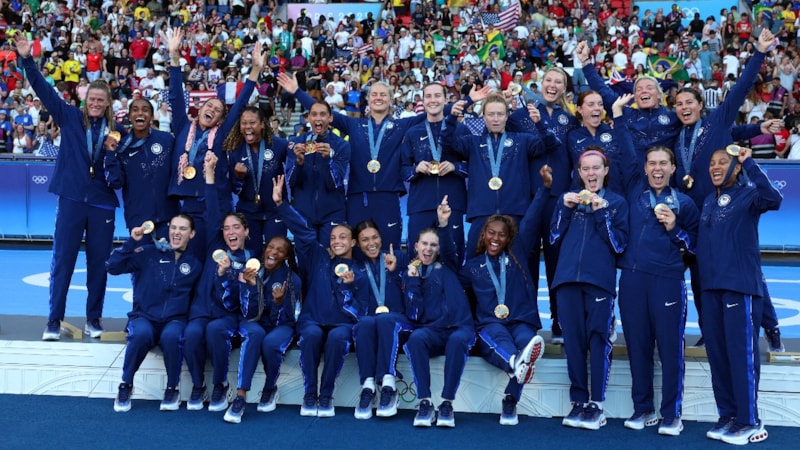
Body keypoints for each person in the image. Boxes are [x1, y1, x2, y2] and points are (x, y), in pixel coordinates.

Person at [279, 73, 487, 250]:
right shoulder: (353, 125)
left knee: (390, 250)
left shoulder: (401, 126)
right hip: (358, 198)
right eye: (374, 94)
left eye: (383, 94)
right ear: (368, 100)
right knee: (358, 251)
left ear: (390, 100)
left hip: (387, 197)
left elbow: (436, 109)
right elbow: (323, 114)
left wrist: (468, 100)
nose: (378, 98)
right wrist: (297, 92)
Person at [16, 33, 125, 341]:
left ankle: (93, 319)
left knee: (99, 265)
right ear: (85, 100)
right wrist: (27, 60)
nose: (95, 104)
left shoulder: (117, 132)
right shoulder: (69, 116)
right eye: (92, 99)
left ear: (107, 106)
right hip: (72, 198)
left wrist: (113, 157)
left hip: (102, 202)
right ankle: (53, 320)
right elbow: (43, 90)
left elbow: (118, 178)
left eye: (100, 101)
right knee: (63, 261)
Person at [612, 94, 701, 436]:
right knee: (637, 346)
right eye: (652, 164)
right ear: (645, 168)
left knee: (669, 348)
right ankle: (642, 408)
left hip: (666, 280)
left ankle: (671, 413)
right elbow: (624, 149)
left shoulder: (686, 204)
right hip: (633, 279)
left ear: (673, 168)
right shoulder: (635, 188)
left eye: (664, 164)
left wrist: (674, 228)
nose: (658, 169)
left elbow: (694, 246)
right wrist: (618, 116)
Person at [698, 146, 781, 445]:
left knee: (741, 356)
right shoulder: (708, 200)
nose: (716, 167)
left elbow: (775, 199)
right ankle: (728, 416)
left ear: (736, 168)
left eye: (724, 162)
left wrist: (750, 163)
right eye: (712, 163)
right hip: (711, 288)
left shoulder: (749, 194)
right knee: (718, 356)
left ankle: (750, 420)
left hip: (740, 287)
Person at [460, 166, 550, 426]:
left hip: (522, 320)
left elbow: (532, 218)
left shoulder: (518, 253)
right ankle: (514, 366)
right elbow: (452, 283)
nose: (495, 238)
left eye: (501, 234)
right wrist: (443, 228)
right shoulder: (473, 266)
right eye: (491, 233)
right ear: (483, 235)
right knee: (500, 342)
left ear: (509, 237)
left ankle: (511, 394)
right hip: (492, 323)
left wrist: (544, 188)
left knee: (527, 342)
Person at [273, 174, 368, 418]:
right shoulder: (317, 255)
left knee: (338, 339)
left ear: (354, 242)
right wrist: (281, 205)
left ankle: (326, 395)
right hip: (312, 319)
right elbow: (302, 229)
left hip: (341, 323)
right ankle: (309, 394)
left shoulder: (359, 271)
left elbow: (358, 311)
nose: (336, 241)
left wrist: (348, 288)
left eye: (343, 237)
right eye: (333, 237)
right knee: (312, 335)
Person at [551, 148, 629, 430]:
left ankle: (597, 403)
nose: (591, 174)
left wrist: (601, 214)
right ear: (579, 172)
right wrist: (564, 209)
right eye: (586, 169)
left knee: (598, 340)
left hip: (599, 282)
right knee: (572, 343)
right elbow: (553, 237)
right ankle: (578, 401)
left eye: (596, 168)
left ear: (605, 171)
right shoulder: (568, 200)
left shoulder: (616, 202)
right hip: (566, 280)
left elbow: (618, 245)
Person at [167, 28, 262, 257]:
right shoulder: (182, 126)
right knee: (186, 258)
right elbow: (175, 96)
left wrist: (256, 69)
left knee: (212, 256)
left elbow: (239, 105)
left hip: (214, 204)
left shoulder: (221, 135)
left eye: (218, 110)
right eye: (209, 106)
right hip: (187, 204)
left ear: (221, 119)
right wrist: (173, 55)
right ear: (200, 109)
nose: (212, 109)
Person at [106, 213, 201, 412]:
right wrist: (132, 241)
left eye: (183, 229)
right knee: (140, 334)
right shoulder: (148, 252)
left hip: (175, 320)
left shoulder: (194, 264)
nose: (176, 232)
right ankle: (125, 385)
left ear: (191, 234)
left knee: (172, 336)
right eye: (173, 227)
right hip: (144, 316)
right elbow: (112, 266)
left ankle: (172, 388)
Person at [445, 95, 557, 255]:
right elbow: (447, 144)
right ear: (483, 117)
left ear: (507, 116)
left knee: (516, 265)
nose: (495, 119)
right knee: (474, 264)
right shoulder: (473, 143)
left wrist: (539, 123)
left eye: (500, 114)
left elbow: (551, 144)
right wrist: (451, 118)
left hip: (515, 213)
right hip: (481, 213)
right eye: (491, 114)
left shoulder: (522, 140)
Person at [183, 154, 250, 413]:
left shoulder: (250, 260)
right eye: (226, 228)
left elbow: (243, 299)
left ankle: (220, 384)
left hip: (226, 315)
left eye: (236, 227)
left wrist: (228, 277)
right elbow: (211, 208)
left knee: (214, 331)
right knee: (191, 333)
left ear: (245, 231)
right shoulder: (215, 245)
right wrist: (209, 174)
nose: (230, 232)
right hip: (201, 310)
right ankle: (199, 386)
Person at [402, 196, 475, 428]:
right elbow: (414, 315)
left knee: (457, 342)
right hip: (432, 330)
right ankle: (424, 401)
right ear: (416, 246)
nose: (429, 248)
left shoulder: (449, 266)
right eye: (424, 244)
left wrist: (443, 224)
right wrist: (413, 283)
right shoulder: (410, 275)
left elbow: (449, 247)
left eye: (433, 245)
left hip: (459, 327)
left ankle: (446, 403)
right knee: (416, 339)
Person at [224, 234, 302, 423]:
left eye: (280, 250)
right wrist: (251, 287)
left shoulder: (292, 280)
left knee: (271, 343)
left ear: (286, 256)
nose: (273, 252)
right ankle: (241, 396)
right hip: (255, 323)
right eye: (271, 247)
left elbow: (288, 319)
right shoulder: (251, 272)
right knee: (255, 333)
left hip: (281, 324)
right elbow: (248, 313)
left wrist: (278, 303)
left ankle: (269, 388)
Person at [401, 82, 469, 264]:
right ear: (422, 100)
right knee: (416, 260)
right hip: (420, 205)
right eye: (428, 96)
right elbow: (402, 170)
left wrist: (456, 167)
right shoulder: (413, 133)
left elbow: (475, 165)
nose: (433, 100)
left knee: (452, 257)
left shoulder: (460, 130)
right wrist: (416, 169)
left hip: (452, 204)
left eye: (437, 96)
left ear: (446, 99)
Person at [352, 221, 409, 420]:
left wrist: (397, 270)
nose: (371, 243)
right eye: (365, 240)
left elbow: (416, 286)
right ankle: (368, 386)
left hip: (400, 322)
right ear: (358, 244)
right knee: (365, 322)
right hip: (372, 323)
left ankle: (389, 384)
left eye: (374, 237)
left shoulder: (398, 257)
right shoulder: (356, 268)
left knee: (385, 320)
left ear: (381, 238)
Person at [104, 98, 177, 235]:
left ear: (152, 116)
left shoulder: (166, 139)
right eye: (135, 110)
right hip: (138, 219)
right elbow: (115, 182)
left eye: (145, 110)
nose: (140, 113)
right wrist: (110, 154)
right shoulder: (121, 147)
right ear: (129, 116)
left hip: (169, 217)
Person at [225, 106, 290, 256]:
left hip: (275, 212)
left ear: (262, 124)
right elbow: (234, 189)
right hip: (248, 213)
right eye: (244, 123)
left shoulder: (279, 145)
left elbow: (293, 174)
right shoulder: (235, 150)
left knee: (276, 255)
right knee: (251, 257)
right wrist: (239, 178)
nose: (247, 127)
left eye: (252, 122)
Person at [285, 101, 350, 247]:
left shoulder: (341, 145)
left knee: (329, 260)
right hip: (303, 212)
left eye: (323, 114)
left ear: (330, 118)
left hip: (333, 213)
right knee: (305, 261)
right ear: (308, 118)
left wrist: (328, 160)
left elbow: (334, 184)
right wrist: (299, 163)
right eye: (314, 114)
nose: (318, 118)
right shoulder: (296, 143)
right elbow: (291, 182)